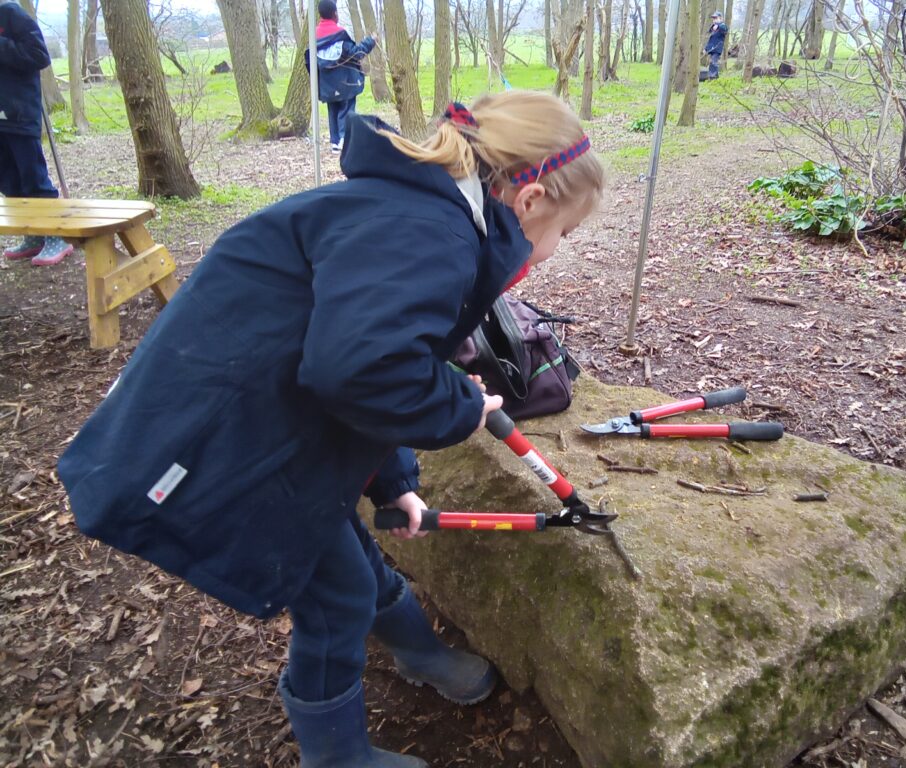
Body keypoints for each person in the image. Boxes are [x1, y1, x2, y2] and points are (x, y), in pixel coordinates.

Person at [57, 91, 604, 767]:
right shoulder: (430, 232)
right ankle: (337, 755)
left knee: (344, 550)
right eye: (566, 233)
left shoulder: (422, 214)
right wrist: (461, 406)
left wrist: (394, 479)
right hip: (219, 444)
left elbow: (377, 362)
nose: (555, 251)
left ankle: (416, 649)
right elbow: (361, 370)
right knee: (337, 599)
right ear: (532, 200)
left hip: (274, 421)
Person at [0, 0, 73, 266]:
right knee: (8, 181)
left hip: (19, 112)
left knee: (32, 177)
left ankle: (57, 236)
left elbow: (38, 55)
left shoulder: (10, 13)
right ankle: (32, 233)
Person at [313, 0, 376, 153]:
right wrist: (371, 41)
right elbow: (356, 53)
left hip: (326, 84)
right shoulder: (339, 34)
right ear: (335, 14)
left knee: (333, 110)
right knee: (346, 110)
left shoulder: (314, 35)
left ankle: (335, 142)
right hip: (345, 82)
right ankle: (344, 140)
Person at [704, 11, 728, 81]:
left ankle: (712, 77)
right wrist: (706, 49)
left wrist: (718, 25)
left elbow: (725, 29)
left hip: (717, 48)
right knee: (712, 62)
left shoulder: (722, 26)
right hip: (712, 48)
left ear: (721, 18)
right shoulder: (713, 28)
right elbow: (711, 40)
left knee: (713, 62)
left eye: (716, 18)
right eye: (713, 19)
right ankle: (715, 77)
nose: (714, 20)